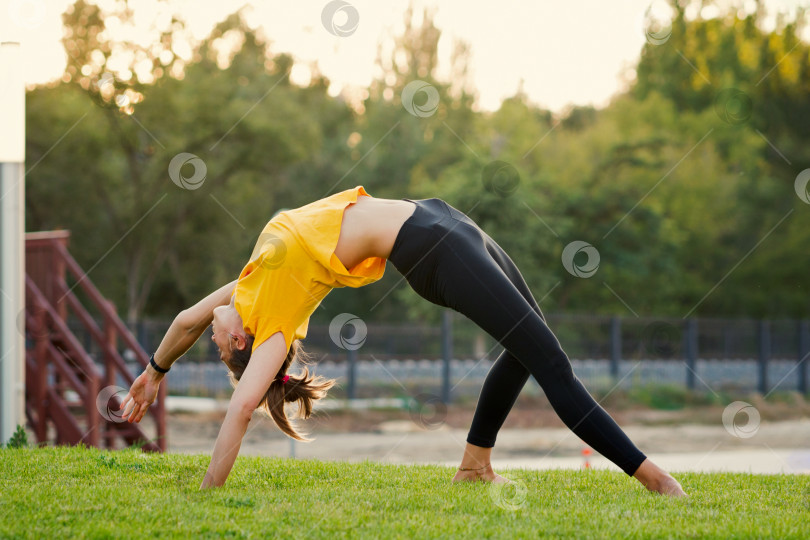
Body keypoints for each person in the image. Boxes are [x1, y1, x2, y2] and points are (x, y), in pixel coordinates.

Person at [120, 185, 686, 496]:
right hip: (435, 253)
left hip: (446, 222)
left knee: (528, 347)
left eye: (218, 351)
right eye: (223, 352)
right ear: (244, 343)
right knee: (552, 362)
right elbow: (242, 409)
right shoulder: (272, 326)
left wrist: (154, 371)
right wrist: (209, 487)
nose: (214, 344)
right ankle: (653, 478)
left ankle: (473, 466)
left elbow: (185, 321)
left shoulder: (248, 286)